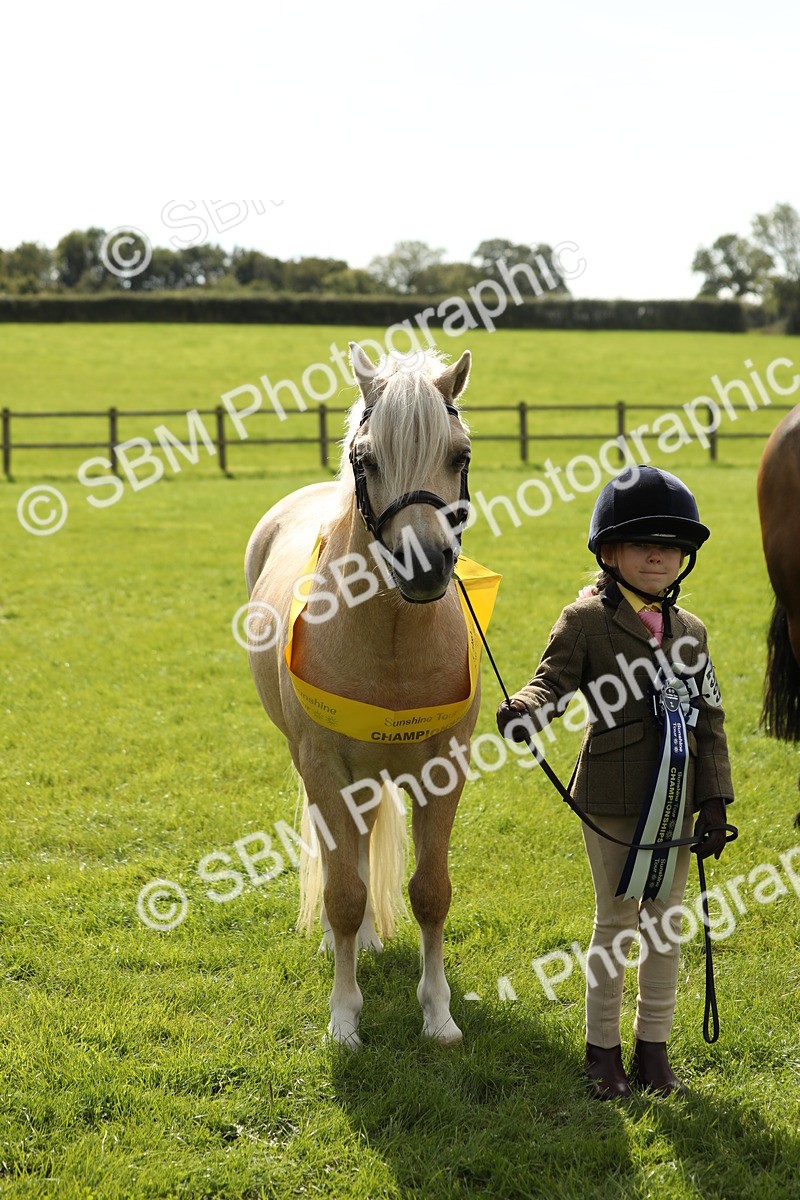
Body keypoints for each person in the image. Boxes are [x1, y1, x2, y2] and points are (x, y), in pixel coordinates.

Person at [496, 465, 734, 1099]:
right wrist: (526, 710)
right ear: (609, 552)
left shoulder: (692, 632)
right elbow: (552, 681)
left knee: (667, 923)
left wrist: (714, 803)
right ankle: (602, 1052)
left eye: (669, 545)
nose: (656, 555)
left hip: (676, 801)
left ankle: (653, 1048)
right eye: (640, 544)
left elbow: (708, 720)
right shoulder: (586, 622)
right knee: (617, 921)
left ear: (684, 555)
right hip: (612, 799)